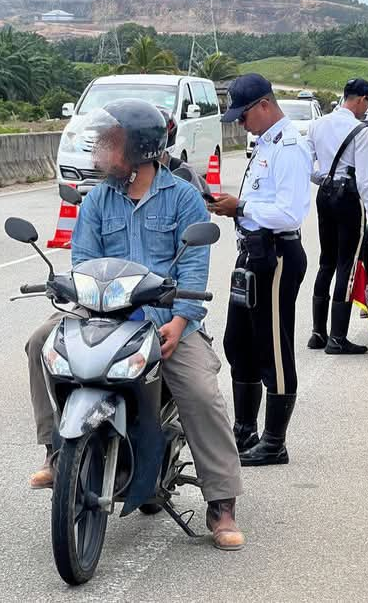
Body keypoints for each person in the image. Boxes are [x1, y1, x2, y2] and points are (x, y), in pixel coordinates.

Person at [25, 98, 244, 550]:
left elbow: (195, 272)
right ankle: (55, 448)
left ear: (140, 149)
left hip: (165, 319)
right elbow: (83, 260)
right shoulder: (98, 199)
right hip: (101, 313)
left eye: (111, 143)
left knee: (200, 391)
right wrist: (73, 292)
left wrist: (181, 323)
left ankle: (221, 501)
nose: (102, 152)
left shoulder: (182, 198)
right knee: (40, 341)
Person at [207, 73, 312, 467]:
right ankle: (245, 430)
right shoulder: (265, 143)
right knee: (239, 342)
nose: (239, 123)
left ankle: (274, 441)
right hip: (251, 253)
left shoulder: (289, 147)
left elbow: (288, 212)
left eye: (243, 115)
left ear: (264, 106)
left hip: (277, 255)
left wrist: (241, 208)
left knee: (274, 348)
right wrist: (231, 206)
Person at [306, 78, 368, 355]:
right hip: (348, 201)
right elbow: (364, 181)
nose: (366, 110)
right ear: (361, 99)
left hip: (324, 197)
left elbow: (307, 165)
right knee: (346, 266)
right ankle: (337, 338)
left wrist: (326, 179)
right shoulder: (359, 130)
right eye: (367, 104)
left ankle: (318, 333)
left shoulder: (317, 125)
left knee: (325, 262)